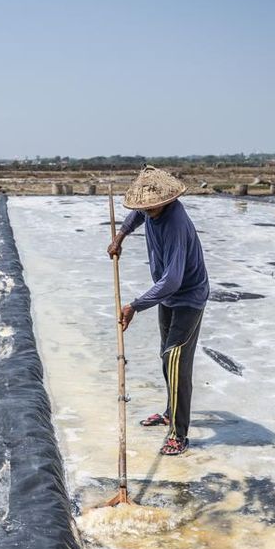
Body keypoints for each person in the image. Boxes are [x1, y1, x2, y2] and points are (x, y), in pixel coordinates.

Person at [107, 166, 209, 456]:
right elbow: (137, 215)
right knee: (166, 357)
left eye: (151, 206)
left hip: (188, 296)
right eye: (145, 206)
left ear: (166, 200)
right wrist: (120, 237)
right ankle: (169, 411)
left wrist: (135, 306)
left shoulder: (175, 222)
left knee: (176, 360)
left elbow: (173, 280)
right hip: (167, 297)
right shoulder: (150, 210)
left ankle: (178, 433)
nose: (147, 210)